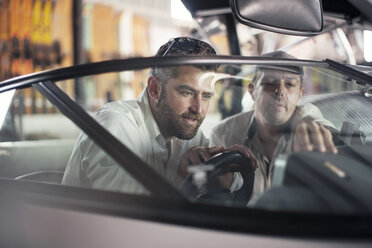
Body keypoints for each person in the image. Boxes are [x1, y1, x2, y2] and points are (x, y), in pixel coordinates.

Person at [62, 37, 254, 194]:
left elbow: (224, 188)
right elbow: (128, 218)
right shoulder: (115, 125)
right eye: (186, 92)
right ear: (154, 88)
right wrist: (181, 179)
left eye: (206, 96)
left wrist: (230, 171)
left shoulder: (187, 131)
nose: (198, 108)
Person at [205, 51, 338, 202]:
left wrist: (309, 123)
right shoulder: (223, 134)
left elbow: (327, 131)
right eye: (269, 82)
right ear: (252, 91)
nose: (280, 91)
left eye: (289, 84)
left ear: (300, 95)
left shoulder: (309, 123)